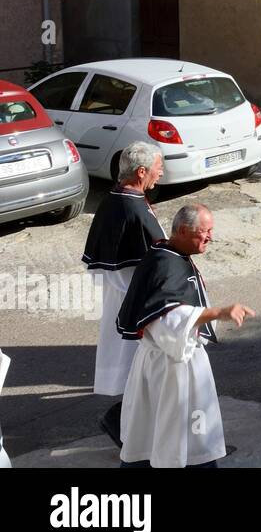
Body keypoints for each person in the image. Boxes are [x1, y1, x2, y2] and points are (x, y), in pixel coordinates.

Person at [117, 204, 253, 468]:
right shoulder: (166, 264)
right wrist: (220, 312)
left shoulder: (167, 252)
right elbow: (169, 319)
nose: (210, 237)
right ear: (182, 230)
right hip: (171, 368)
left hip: (167, 361)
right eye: (205, 231)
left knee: (157, 435)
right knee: (183, 436)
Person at [81, 141, 166, 447]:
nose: (161, 172)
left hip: (126, 300)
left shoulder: (116, 199)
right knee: (143, 371)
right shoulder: (131, 206)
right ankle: (122, 425)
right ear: (141, 171)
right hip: (136, 306)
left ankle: (129, 427)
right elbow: (157, 261)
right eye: (158, 167)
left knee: (140, 371)